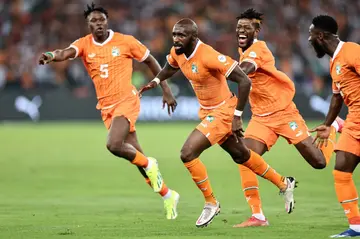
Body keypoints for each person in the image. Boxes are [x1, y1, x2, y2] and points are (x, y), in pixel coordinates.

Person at [139, 18, 296, 228]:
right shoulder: (177, 51)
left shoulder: (209, 55)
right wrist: (157, 82)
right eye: (175, 34)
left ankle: (211, 202)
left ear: (194, 37)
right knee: (242, 155)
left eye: (182, 35)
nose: (176, 38)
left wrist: (237, 115)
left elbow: (245, 80)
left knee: (187, 153)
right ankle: (284, 184)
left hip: (224, 111)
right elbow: (170, 66)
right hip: (207, 112)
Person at [38, 3, 179, 220]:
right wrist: (50, 55)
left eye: (101, 20)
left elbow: (151, 60)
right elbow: (64, 53)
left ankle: (150, 163)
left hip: (127, 100)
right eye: (93, 21)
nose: (98, 24)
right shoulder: (84, 44)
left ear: (107, 21)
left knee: (113, 145)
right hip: (106, 107)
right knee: (136, 156)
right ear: (88, 25)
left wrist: (166, 89)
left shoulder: (126, 41)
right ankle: (168, 195)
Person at [233, 9, 344, 227]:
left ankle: (333, 128)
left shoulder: (260, 49)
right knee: (244, 157)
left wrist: (219, 68)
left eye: (246, 27)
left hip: (284, 113)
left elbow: (243, 71)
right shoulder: (242, 49)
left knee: (319, 162)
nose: (241, 31)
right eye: (238, 27)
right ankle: (259, 215)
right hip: (261, 117)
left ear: (256, 31)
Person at [309, 15, 360, 238]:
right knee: (341, 170)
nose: (309, 41)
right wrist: (327, 124)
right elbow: (337, 97)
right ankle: (357, 227)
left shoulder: (352, 51)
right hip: (354, 121)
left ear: (320, 36)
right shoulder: (333, 61)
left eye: (311, 36)